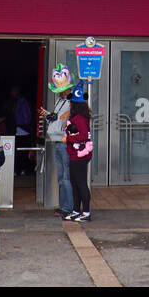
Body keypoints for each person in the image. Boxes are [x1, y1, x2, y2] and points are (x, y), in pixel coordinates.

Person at [38, 64, 75, 217]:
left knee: (66, 177)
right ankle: (64, 206)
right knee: (61, 177)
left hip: (64, 142)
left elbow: (67, 120)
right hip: (57, 141)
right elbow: (56, 119)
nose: (59, 93)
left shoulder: (72, 102)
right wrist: (48, 115)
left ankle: (68, 208)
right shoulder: (60, 101)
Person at [64, 84, 93, 222]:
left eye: (71, 102)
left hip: (79, 156)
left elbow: (84, 136)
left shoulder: (80, 119)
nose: (69, 104)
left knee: (80, 183)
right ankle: (76, 210)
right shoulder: (78, 118)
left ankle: (86, 212)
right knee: (75, 183)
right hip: (74, 154)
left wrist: (68, 138)